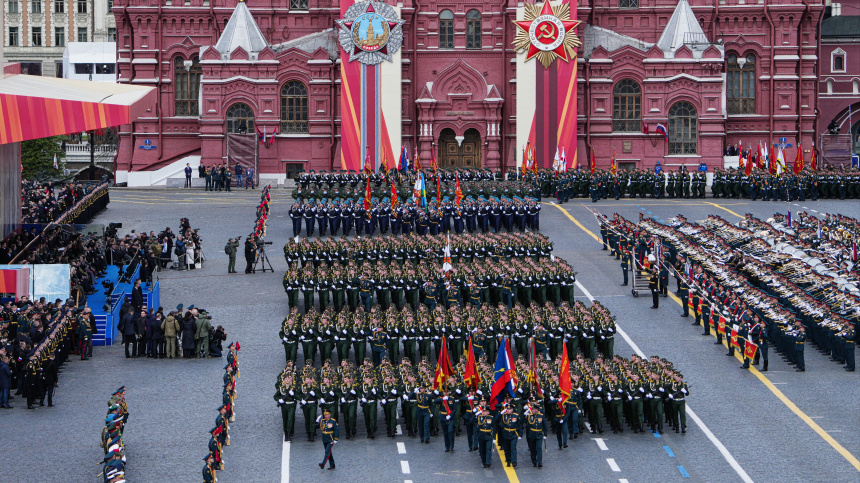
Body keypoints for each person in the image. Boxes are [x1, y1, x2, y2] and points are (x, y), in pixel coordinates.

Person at [525, 400, 548, 468]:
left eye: (535, 409)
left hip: (539, 434)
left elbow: (545, 426)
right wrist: (524, 415)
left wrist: (545, 434)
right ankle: (534, 461)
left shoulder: (541, 416)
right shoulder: (529, 416)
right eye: (533, 409)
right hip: (532, 434)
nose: (534, 410)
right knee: (533, 449)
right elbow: (526, 425)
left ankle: (539, 462)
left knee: (539, 448)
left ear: (537, 410)